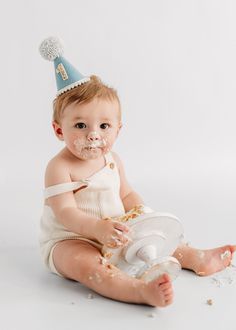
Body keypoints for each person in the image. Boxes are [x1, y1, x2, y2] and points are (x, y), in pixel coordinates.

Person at [39, 37, 236, 307]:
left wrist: (144, 214)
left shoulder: (113, 160)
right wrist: (97, 228)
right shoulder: (59, 167)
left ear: (118, 129)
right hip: (73, 237)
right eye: (81, 126)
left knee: (157, 239)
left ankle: (195, 257)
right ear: (59, 130)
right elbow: (66, 213)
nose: (94, 135)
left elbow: (127, 193)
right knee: (86, 265)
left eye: (104, 126)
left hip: (118, 229)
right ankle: (138, 290)